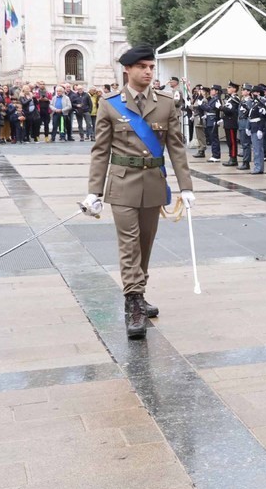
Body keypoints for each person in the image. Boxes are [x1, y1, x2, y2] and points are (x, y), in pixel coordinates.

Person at [82, 46, 194, 339]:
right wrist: (93, 192)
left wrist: (186, 187)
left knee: (145, 243)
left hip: (153, 183)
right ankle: (133, 302)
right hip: (121, 184)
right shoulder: (110, 104)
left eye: (151, 67)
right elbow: (100, 151)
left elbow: (176, 147)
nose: (148, 72)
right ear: (127, 70)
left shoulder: (167, 103)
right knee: (129, 243)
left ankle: (139, 293)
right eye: (142, 67)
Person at [221, 82, 240, 166]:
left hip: (231, 122)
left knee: (232, 141)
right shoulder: (230, 98)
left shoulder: (235, 99)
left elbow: (230, 111)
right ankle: (231, 157)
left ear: (234, 89)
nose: (228, 89)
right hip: (228, 121)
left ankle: (233, 158)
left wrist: (221, 108)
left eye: (229, 87)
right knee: (229, 141)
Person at [204, 85, 222, 162]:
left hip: (213, 119)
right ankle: (215, 154)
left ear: (217, 91)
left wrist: (201, 105)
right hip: (210, 119)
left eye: (213, 90)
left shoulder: (217, 99)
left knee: (214, 138)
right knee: (212, 138)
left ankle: (216, 155)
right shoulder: (213, 99)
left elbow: (209, 108)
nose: (211, 91)